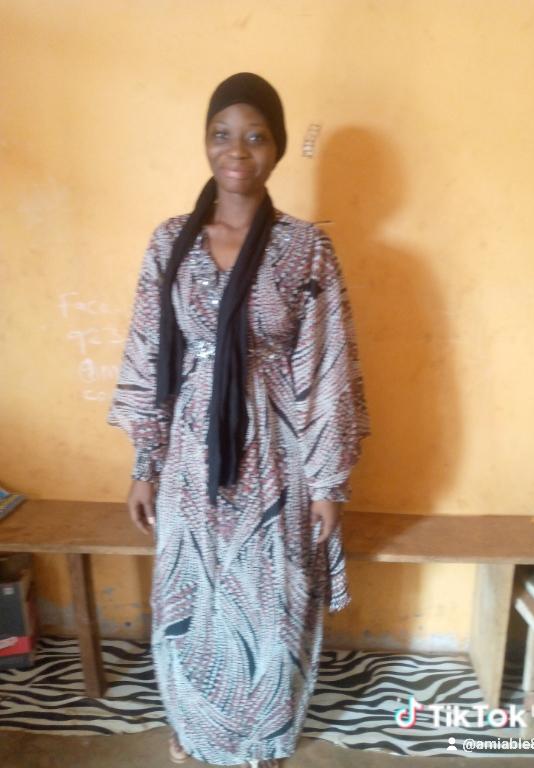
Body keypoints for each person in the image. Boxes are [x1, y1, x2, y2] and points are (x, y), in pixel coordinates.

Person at [108, 72, 370, 768]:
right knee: (190, 593)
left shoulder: (305, 248)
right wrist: (144, 465)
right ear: (205, 142)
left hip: (277, 456)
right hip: (189, 456)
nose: (237, 150)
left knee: (271, 596)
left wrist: (327, 484)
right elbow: (148, 352)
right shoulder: (171, 242)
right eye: (222, 134)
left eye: (256, 136)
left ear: (277, 148)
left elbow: (326, 367)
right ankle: (197, 731)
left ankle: (264, 738)